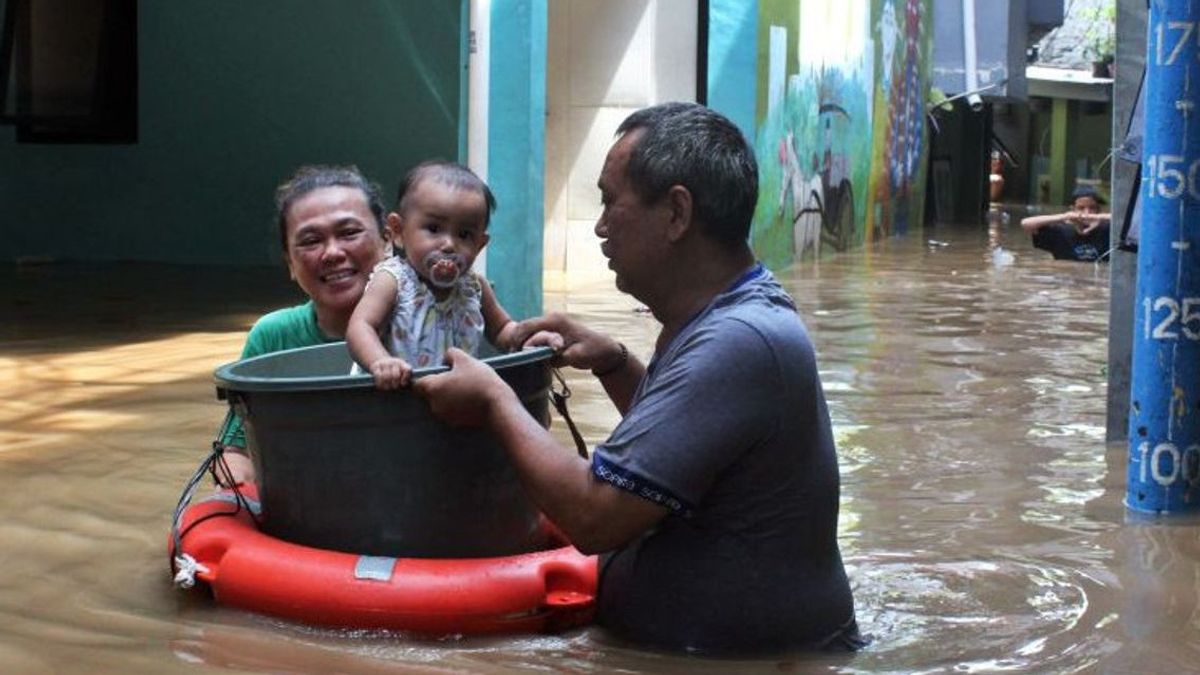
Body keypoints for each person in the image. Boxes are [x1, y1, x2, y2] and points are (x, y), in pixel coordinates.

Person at [414, 102, 862, 655]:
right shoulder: (731, 314)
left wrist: (493, 398)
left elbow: (595, 516)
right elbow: (690, 450)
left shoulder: (739, 340)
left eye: (610, 201)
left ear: (676, 213)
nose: (600, 226)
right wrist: (615, 364)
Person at [215, 165, 390, 487]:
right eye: (310, 241)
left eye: (350, 233)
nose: (333, 253)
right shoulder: (274, 337)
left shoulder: (432, 324)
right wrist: (234, 494)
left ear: (388, 241)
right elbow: (237, 450)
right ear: (290, 265)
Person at [345, 161, 524, 389]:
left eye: (464, 234)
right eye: (434, 229)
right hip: (391, 397)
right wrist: (381, 361)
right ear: (398, 232)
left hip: (454, 400)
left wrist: (527, 338)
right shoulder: (394, 281)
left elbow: (501, 330)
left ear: (480, 245)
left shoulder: (474, 287)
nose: (449, 245)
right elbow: (360, 327)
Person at [1020, 185, 1112, 262]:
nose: (1086, 213)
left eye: (1092, 208)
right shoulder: (1060, 232)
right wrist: (1063, 217)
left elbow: (1124, 222)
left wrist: (1098, 217)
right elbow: (1025, 224)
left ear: (1098, 210)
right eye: (1081, 208)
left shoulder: (1108, 230)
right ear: (1073, 209)